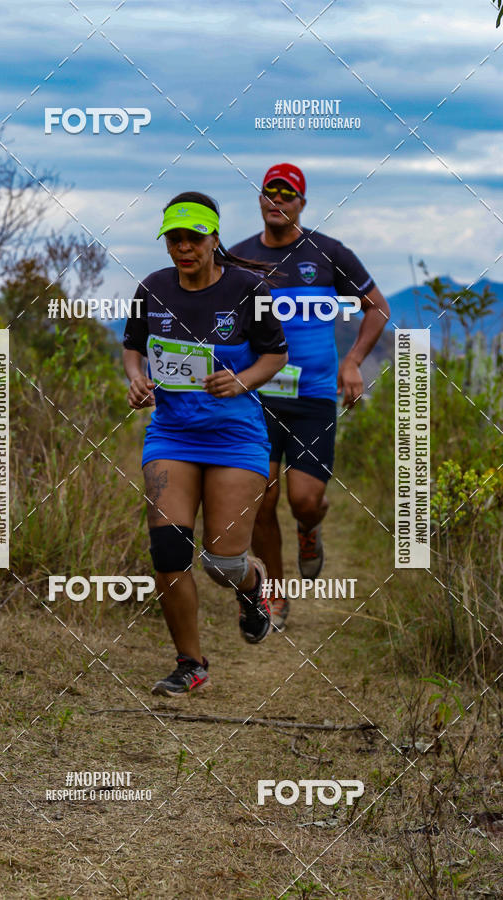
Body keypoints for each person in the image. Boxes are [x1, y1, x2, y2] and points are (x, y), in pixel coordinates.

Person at [123, 191, 288, 696]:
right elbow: (133, 347)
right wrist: (136, 380)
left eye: (194, 238)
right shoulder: (151, 289)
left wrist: (241, 382)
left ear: (214, 238)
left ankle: (254, 587)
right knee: (169, 551)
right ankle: (190, 664)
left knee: (221, 563)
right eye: (175, 238)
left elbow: (275, 356)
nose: (185, 248)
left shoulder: (248, 289)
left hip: (235, 438)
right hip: (171, 435)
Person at [230, 163, 390, 630]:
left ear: (302, 202)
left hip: (314, 396)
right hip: (257, 396)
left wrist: (353, 361)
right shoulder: (238, 257)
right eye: (269, 192)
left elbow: (377, 307)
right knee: (261, 499)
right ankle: (273, 596)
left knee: (303, 498)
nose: (277, 199)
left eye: (288, 193)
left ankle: (309, 526)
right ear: (260, 200)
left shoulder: (327, 253)